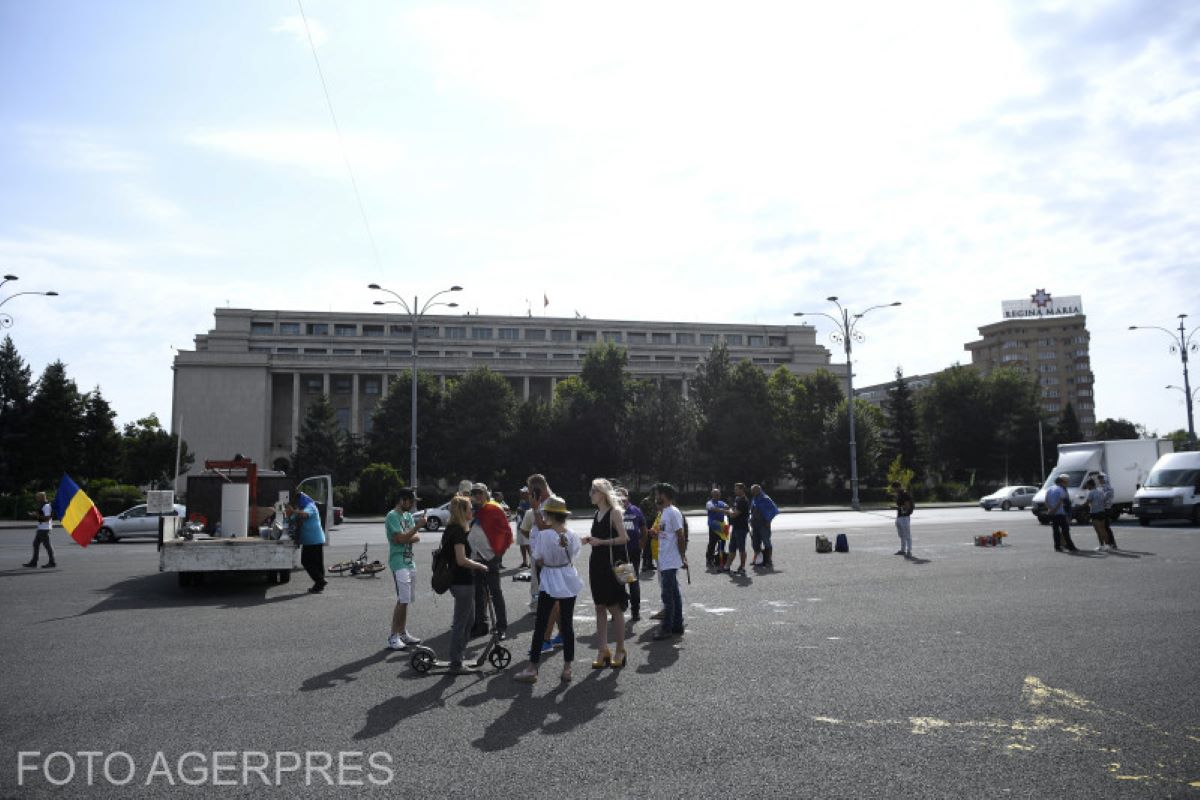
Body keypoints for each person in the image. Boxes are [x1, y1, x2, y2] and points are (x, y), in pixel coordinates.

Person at [513, 496, 583, 684]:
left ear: (550, 515)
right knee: (567, 625)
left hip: (550, 578)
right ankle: (567, 668)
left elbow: (539, 559)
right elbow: (574, 555)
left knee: (541, 624)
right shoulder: (573, 535)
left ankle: (532, 668)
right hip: (568, 577)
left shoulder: (544, 535)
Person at [583, 478, 630, 668]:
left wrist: (601, 542)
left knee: (615, 608)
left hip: (613, 565)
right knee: (599, 607)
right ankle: (603, 650)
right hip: (597, 565)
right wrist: (589, 539)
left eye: (594, 491)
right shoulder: (596, 513)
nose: (591, 494)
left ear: (603, 493)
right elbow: (600, 537)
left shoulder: (615, 512)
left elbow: (624, 538)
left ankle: (620, 649)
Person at [441, 496, 490, 674]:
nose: (473, 511)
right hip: (462, 582)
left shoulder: (451, 529)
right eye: (470, 508)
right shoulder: (459, 532)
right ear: (462, 511)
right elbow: (461, 560)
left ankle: (458, 657)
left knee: (468, 621)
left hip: (457, 581)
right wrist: (480, 565)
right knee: (462, 623)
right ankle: (456, 662)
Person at [469, 483, 512, 639]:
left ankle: (501, 627)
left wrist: (498, 554)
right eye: (474, 493)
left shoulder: (494, 508)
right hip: (474, 558)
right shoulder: (471, 510)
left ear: (486, 493)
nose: (477, 496)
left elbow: (506, 533)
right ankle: (481, 625)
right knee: (478, 594)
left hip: (490, 558)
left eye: (480, 493)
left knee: (495, 593)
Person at [385, 488, 423, 651]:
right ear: (402, 500)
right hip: (398, 561)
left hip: (409, 561)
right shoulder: (392, 516)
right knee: (403, 599)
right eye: (411, 501)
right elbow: (399, 539)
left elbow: (416, 538)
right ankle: (393, 636)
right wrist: (416, 528)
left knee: (405, 600)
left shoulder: (408, 516)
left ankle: (402, 632)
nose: (413, 505)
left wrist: (411, 534)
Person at [650, 483, 686, 640]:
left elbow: (680, 535)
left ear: (665, 495)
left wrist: (682, 556)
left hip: (670, 560)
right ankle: (677, 625)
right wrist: (656, 534)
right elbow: (667, 534)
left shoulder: (672, 512)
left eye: (658, 494)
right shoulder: (664, 512)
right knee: (675, 594)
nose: (656, 497)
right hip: (665, 558)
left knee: (668, 596)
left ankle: (667, 629)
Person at [287, 491, 327, 593]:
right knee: (317, 563)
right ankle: (319, 585)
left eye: (297, 501)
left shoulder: (310, 506)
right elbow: (292, 519)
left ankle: (320, 581)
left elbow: (304, 515)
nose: (296, 503)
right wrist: (288, 515)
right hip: (312, 540)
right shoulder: (302, 508)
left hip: (313, 540)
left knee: (307, 562)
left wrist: (294, 512)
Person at [617, 487, 647, 623]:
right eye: (618, 496)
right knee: (621, 581)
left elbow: (643, 528)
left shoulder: (635, 510)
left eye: (623, 496)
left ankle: (635, 611)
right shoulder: (615, 511)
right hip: (620, 552)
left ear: (627, 497)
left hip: (633, 551)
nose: (621, 499)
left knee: (632, 582)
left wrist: (641, 544)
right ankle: (620, 609)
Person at [1046, 474, 1079, 552]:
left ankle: (1057, 547)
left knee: (1055, 531)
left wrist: (1050, 509)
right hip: (1060, 513)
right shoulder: (1060, 489)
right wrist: (1054, 509)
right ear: (1061, 482)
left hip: (1052, 513)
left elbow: (1046, 500)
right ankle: (1070, 547)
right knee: (1065, 530)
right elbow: (1061, 501)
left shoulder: (1049, 489)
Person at [23, 491, 56, 569]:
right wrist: (35, 514)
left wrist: (37, 515)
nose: (36, 498)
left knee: (47, 546)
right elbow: (42, 516)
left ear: (42, 497)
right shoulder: (43, 505)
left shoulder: (46, 506)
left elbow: (48, 518)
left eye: (37, 497)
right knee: (36, 544)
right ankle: (34, 562)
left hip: (45, 529)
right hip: (41, 528)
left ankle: (52, 562)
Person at [749, 484, 779, 568]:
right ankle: (759, 559)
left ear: (759, 490)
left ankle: (768, 560)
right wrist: (750, 519)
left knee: (766, 542)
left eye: (754, 490)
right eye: (752, 491)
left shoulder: (765, 498)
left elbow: (774, 510)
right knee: (755, 543)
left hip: (763, 524)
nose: (753, 492)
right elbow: (752, 511)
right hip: (755, 524)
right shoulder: (754, 499)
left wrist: (768, 520)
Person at [725, 483, 751, 575]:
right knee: (732, 547)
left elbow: (735, 514)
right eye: (735, 489)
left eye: (736, 489)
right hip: (735, 527)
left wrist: (728, 511)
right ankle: (727, 567)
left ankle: (742, 567)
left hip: (741, 528)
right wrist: (730, 510)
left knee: (741, 548)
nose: (735, 491)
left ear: (741, 490)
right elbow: (733, 510)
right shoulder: (737, 499)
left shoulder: (743, 501)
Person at [705, 489, 729, 570]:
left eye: (718, 494)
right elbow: (712, 508)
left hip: (722, 526)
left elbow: (727, 507)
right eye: (716, 494)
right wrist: (722, 510)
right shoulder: (709, 502)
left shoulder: (722, 502)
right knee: (712, 543)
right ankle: (709, 560)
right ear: (712, 495)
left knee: (722, 543)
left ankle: (719, 559)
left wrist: (726, 508)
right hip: (714, 525)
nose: (717, 495)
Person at [1084, 479, 1109, 552]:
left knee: (1098, 530)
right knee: (1103, 529)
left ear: (1090, 485)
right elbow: (1104, 501)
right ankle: (1107, 545)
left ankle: (1102, 546)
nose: (1087, 487)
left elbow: (1087, 502)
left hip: (1095, 512)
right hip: (1102, 511)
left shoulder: (1091, 492)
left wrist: (1079, 506)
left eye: (1087, 485)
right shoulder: (1100, 491)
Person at [891, 481, 914, 557]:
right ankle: (903, 550)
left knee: (907, 534)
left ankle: (909, 550)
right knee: (901, 534)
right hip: (900, 516)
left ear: (898, 487)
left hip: (905, 517)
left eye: (894, 488)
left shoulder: (904, 494)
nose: (894, 490)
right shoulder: (899, 494)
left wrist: (898, 507)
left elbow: (907, 506)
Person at [1098, 473, 1118, 550]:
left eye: (1101, 478)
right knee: (1104, 527)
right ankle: (1108, 544)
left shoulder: (1108, 488)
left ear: (1105, 479)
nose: (1099, 480)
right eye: (1099, 479)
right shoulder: (1101, 488)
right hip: (1102, 509)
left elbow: (1105, 500)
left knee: (1106, 527)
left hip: (1106, 509)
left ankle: (1112, 544)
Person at [515, 487, 532, 569]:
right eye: (521, 492)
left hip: (527, 527)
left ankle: (532, 562)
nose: (521, 494)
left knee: (528, 544)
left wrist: (522, 511)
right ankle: (525, 562)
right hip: (520, 525)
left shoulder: (531, 501)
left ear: (527, 493)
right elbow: (520, 512)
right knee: (522, 544)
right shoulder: (521, 501)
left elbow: (531, 513)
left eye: (523, 493)